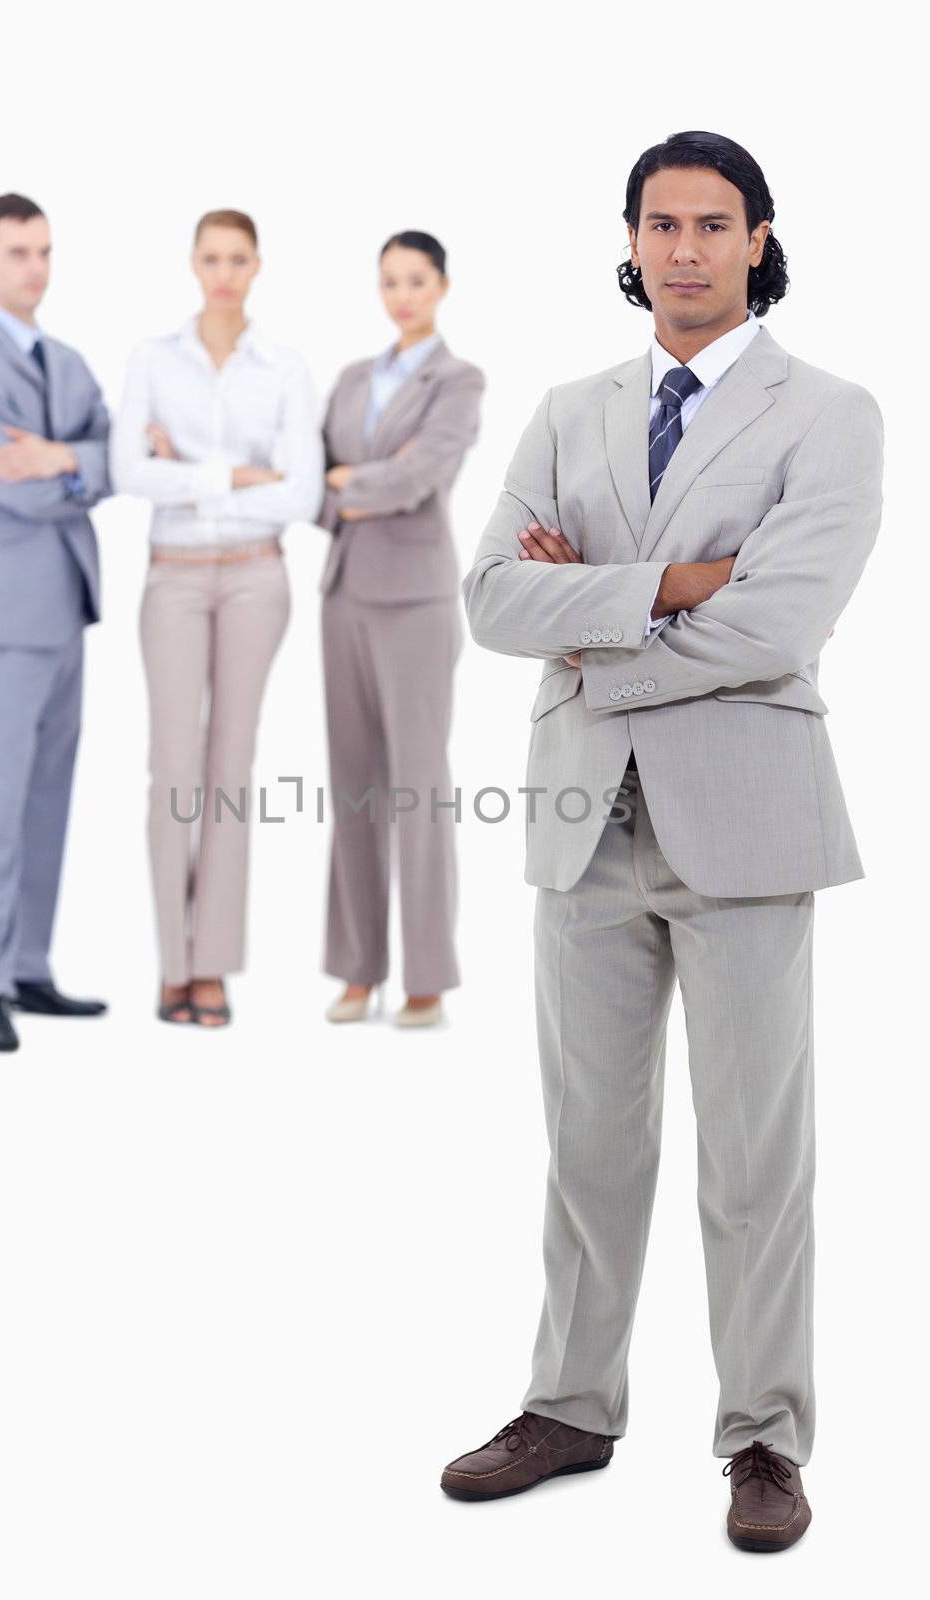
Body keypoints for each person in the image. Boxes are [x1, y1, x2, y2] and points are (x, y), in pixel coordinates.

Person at [444, 131, 884, 1552]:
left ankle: (762, 1437)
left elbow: (778, 619)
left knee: (753, 1157)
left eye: (711, 223)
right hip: (582, 824)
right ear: (627, 241)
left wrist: (597, 626)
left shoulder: (828, 412)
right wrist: (676, 585)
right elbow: (491, 599)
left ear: (757, 239)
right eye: (658, 222)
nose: (682, 247)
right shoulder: (569, 409)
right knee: (586, 1144)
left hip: (745, 827)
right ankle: (569, 1405)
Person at [111, 209, 324, 1028]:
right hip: (172, 576)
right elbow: (128, 469)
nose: (225, 272)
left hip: (253, 580)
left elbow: (299, 495)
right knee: (172, 770)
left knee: (229, 771)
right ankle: (171, 960)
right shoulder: (151, 359)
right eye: (212, 258)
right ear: (192, 265)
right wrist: (237, 474)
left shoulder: (285, 367)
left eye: (238, 258)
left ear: (257, 265)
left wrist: (184, 469)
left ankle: (212, 966)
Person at [0, 193, 112, 1053]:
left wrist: (68, 457)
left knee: (48, 801)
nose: (34, 268)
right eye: (16, 252)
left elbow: (118, 458)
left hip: (66, 610)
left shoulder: (70, 362)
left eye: (43, 250)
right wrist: (73, 467)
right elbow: (16, 486)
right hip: (2, 613)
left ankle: (28, 966)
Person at [318, 231, 484, 1028]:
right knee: (353, 787)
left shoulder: (457, 380)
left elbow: (425, 477)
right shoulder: (352, 379)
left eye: (415, 280)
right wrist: (354, 486)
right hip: (343, 591)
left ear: (441, 285)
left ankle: (425, 977)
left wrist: (354, 480)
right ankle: (355, 970)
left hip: (415, 599)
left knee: (418, 788)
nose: (402, 295)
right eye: (389, 281)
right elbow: (310, 486)